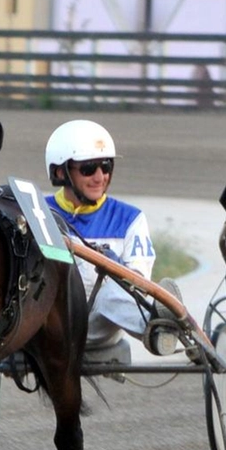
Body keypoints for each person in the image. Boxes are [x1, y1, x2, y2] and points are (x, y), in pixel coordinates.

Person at [42, 119, 188, 359]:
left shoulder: (130, 219)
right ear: (61, 172)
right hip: (47, 325)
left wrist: (113, 265)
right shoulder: (38, 212)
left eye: (106, 166)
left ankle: (157, 330)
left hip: (97, 326)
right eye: (89, 168)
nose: (100, 177)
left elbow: (139, 285)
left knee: (112, 293)